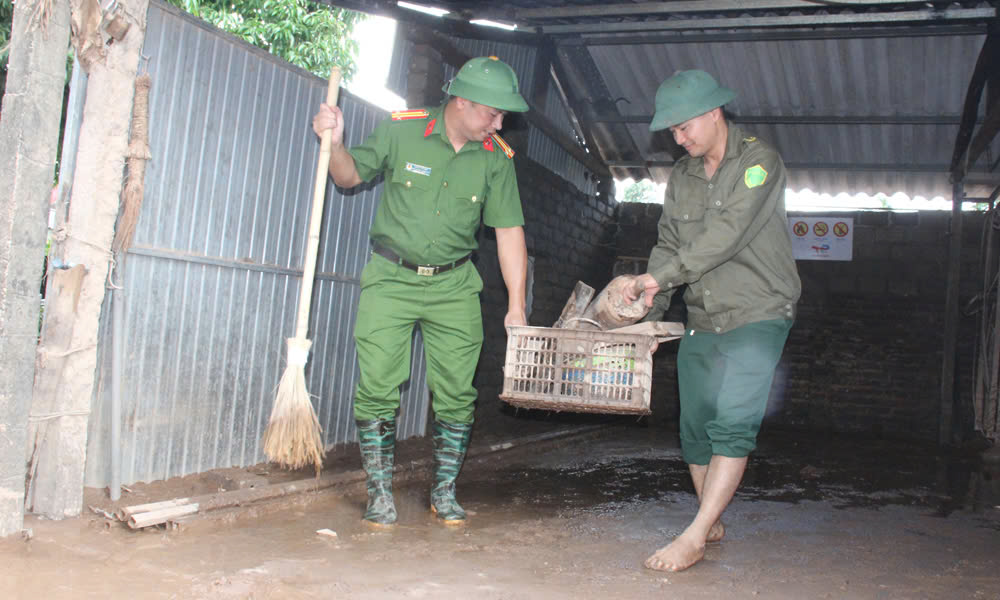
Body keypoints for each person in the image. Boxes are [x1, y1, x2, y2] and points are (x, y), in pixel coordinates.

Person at [311, 56, 530, 528]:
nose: (499, 123)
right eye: (492, 113)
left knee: (457, 393)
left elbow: (509, 232)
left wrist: (516, 304)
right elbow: (348, 176)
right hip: (392, 279)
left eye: (503, 116)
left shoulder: (497, 158)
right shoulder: (401, 129)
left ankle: (445, 491)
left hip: (454, 285)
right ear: (462, 101)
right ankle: (380, 493)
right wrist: (337, 141)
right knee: (377, 388)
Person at [622, 70, 801, 571]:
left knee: (732, 425)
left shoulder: (759, 163)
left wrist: (657, 280)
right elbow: (669, 246)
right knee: (695, 431)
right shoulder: (682, 176)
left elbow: (726, 234)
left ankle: (696, 535)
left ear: (713, 112)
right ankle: (712, 517)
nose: (679, 139)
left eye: (684, 128)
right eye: (673, 133)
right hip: (704, 315)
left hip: (759, 310)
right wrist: (649, 320)